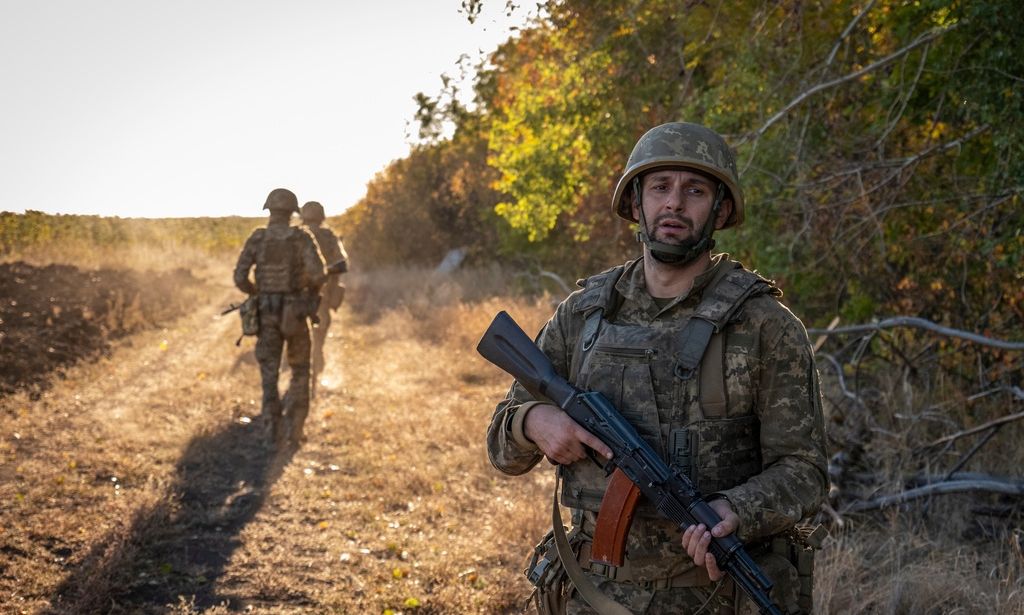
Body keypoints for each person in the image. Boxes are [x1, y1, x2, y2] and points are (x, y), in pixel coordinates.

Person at [486, 122, 828, 614]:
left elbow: (805, 471)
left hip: (714, 598)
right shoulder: (583, 315)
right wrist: (532, 422)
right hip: (591, 593)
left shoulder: (764, 326)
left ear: (721, 209)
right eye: (660, 187)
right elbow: (503, 449)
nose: (674, 204)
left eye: (695, 190)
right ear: (635, 203)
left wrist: (736, 510)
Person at [234, 188, 326, 448]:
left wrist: (258, 294)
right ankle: (294, 432)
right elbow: (319, 274)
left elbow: (240, 277)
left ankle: (271, 433)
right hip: (295, 315)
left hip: (267, 314)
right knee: (299, 372)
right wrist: (308, 296)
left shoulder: (258, 238)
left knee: (269, 374)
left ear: (269, 210)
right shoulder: (301, 238)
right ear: (292, 213)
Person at [299, 200, 349, 389]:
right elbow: (343, 264)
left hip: (298, 296)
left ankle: (305, 375)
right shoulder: (328, 236)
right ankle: (315, 370)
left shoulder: (295, 235)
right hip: (321, 295)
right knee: (318, 338)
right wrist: (324, 273)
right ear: (322, 216)